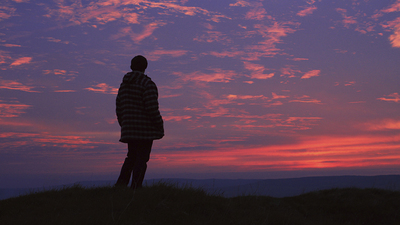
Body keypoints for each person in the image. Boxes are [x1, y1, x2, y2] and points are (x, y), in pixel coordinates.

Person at [115, 55, 164, 189]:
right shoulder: (147, 84)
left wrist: (124, 124)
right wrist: (159, 124)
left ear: (131, 67)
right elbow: (152, 108)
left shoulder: (123, 85)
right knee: (141, 159)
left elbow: (119, 108)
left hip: (129, 128)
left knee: (131, 157)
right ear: (145, 67)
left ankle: (120, 186)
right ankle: (136, 188)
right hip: (144, 130)